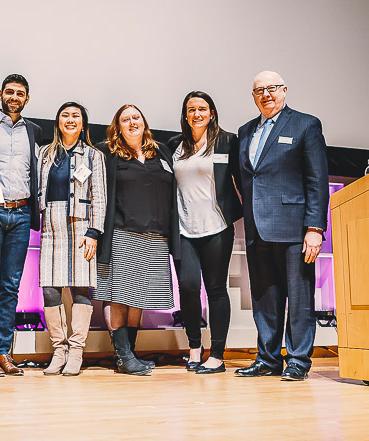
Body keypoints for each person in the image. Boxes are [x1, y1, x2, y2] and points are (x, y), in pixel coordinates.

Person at [234, 71, 328, 381]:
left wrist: (315, 227)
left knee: (299, 299)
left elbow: (317, 179)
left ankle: (298, 360)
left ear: (285, 90)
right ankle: (268, 359)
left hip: (294, 229)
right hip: (257, 229)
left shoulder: (305, 124)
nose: (266, 94)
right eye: (258, 90)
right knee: (264, 299)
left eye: (272, 88)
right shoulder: (245, 131)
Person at [96, 104, 177, 376]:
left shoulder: (161, 151)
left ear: (144, 122)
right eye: (125, 119)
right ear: (117, 126)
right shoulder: (107, 152)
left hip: (156, 236)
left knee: (139, 297)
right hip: (122, 233)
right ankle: (123, 355)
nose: (132, 122)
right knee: (118, 296)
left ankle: (130, 354)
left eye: (136, 117)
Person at [169, 91, 242, 374]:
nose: (197, 114)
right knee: (187, 287)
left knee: (215, 290)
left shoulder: (226, 141)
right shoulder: (175, 145)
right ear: (185, 115)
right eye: (191, 109)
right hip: (184, 229)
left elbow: (241, 179)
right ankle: (194, 347)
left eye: (202, 109)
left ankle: (218, 354)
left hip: (217, 227)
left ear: (211, 113)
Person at [0, 74, 42, 377]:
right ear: (0, 93)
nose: (15, 97)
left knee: (11, 287)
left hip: (21, 214)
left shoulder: (33, 130)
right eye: (10, 92)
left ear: (27, 98)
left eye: (21, 93)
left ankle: (4, 352)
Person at [37, 102, 106, 376]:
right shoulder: (44, 153)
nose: (70, 119)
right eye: (65, 115)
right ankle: (58, 350)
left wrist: (94, 232)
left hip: (81, 227)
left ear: (83, 123)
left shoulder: (93, 156)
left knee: (80, 288)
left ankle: (77, 350)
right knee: (50, 289)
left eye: (75, 116)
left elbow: (99, 196)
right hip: (51, 225)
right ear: (57, 122)